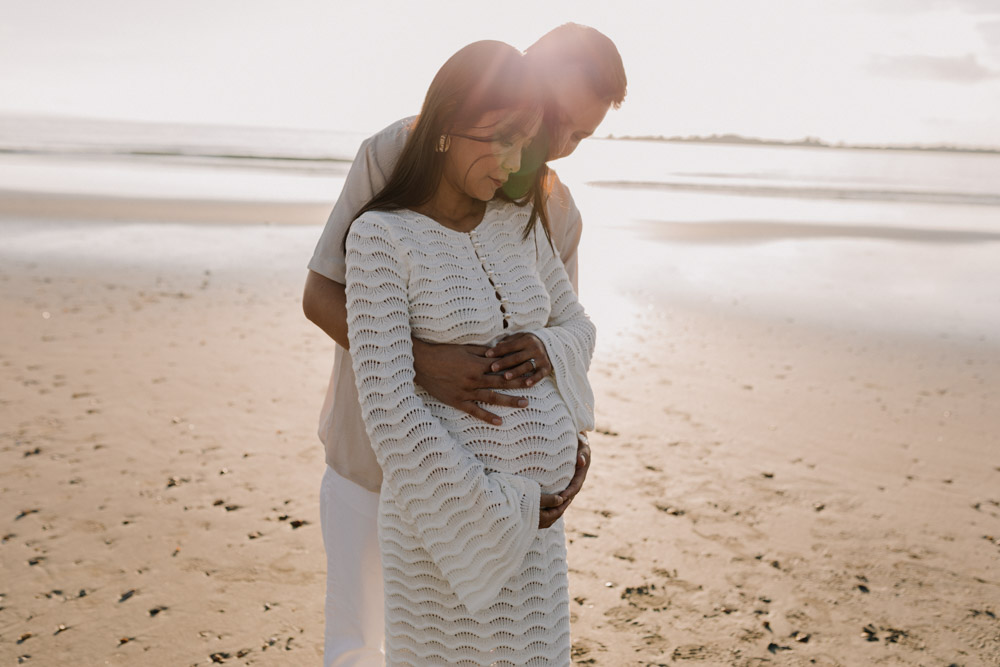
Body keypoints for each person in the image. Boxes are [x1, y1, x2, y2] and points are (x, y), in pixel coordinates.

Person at [304, 24, 626, 666]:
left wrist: (571, 449)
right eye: (557, 119)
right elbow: (320, 294)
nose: (558, 145)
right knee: (360, 645)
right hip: (371, 463)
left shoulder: (552, 210)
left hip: (508, 503)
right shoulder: (397, 152)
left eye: (579, 136)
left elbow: (559, 344)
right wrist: (423, 364)